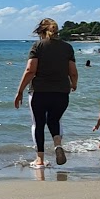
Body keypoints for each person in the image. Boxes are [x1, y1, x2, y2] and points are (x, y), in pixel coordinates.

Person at [13, 18, 78, 168]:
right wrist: (73, 84)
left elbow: (30, 70)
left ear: (40, 32)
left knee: (38, 124)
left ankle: (40, 159)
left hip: (39, 92)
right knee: (54, 120)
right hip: (62, 92)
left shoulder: (38, 46)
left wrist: (19, 91)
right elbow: (73, 72)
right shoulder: (67, 47)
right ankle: (57, 144)